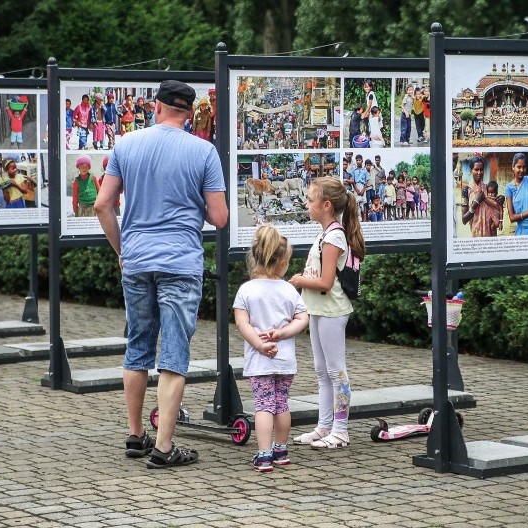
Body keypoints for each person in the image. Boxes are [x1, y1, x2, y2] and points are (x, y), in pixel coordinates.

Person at [94, 80, 228, 469]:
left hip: (136, 260)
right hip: (181, 262)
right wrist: (191, 200)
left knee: (137, 346)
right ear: (189, 113)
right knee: (173, 354)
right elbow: (219, 217)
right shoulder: (204, 151)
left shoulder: (126, 145)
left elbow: (103, 205)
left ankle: (136, 435)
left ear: (156, 107)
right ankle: (164, 448)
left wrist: (123, 250)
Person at [289, 177, 365, 449]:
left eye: (311, 200)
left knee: (336, 372)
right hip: (318, 310)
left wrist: (298, 280)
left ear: (326, 205)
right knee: (322, 371)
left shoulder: (334, 236)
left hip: (332, 311)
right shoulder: (325, 233)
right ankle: (324, 426)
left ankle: (341, 430)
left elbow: (324, 281)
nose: (307, 204)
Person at [233, 226, 308, 472]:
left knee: (264, 405)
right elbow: (302, 319)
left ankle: (264, 455)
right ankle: (281, 450)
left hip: (260, 359)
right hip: (285, 359)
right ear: (283, 261)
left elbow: (242, 323)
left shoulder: (247, 290)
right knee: (282, 404)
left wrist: (260, 344)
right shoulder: (289, 289)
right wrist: (282, 333)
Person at [461, 155, 504, 237]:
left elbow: (495, 205)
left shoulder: (488, 189)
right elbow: (464, 220)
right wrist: (475, 204)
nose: (479, 172)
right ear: (471, 170)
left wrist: (501, 199)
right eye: (476, 169)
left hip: (491, 234)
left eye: (481, 169)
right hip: (476, 234)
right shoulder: (466, 190)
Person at [505, 153, 528, 236]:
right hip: (521, 231)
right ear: (513, 167)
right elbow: (512, 217)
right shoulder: (509, 188)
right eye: (519, 167)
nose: (522, 170)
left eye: (524, 167)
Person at [351, 154, 368, 220]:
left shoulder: (365, 170)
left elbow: (366, 182)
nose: (358, 161)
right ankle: (358, 218)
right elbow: (353, 181)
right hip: (356, 187)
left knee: (363, 204)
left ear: (362, 161)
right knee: (357, 203)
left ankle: (364, 218)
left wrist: (363, 190)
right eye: (357, 160)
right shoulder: (354, 170)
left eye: (359, 160)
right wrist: (357, 190)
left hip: (363, 187)